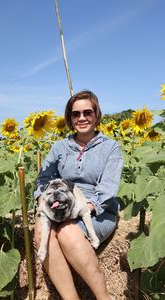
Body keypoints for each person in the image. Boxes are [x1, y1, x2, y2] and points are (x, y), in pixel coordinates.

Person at [34, 90, 123, 300]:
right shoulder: (60, 147)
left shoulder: (110, 148)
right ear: (70, 118)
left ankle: (104, 298)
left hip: (97, 213)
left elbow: (108, 191)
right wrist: (43, 201)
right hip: (61, 207)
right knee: (40, 232)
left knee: (67, 232)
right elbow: (43, 180)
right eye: (76, 114)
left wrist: (79, 211)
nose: (81, 118)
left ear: (96, 115)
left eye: (87, 112)